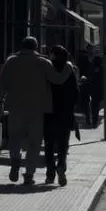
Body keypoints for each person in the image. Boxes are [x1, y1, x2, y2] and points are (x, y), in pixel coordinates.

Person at [0, 36, 73, 186]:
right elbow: (57, 79)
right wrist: (68, 68)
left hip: (15, 108)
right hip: (37, 110)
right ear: (36, 47)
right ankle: (29, 174)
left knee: (15, 138)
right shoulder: (42, 62)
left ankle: (15, 160)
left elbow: (1, 84)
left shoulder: (11, 61)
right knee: (34, 143)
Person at [44, 46, 79, 186]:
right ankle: (61, 167)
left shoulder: (47, 69)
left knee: (49, 144)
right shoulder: (69, 69)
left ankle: (50, 174)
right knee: (63, 145)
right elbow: (76, 93)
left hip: (49, 112)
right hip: (65, 113)